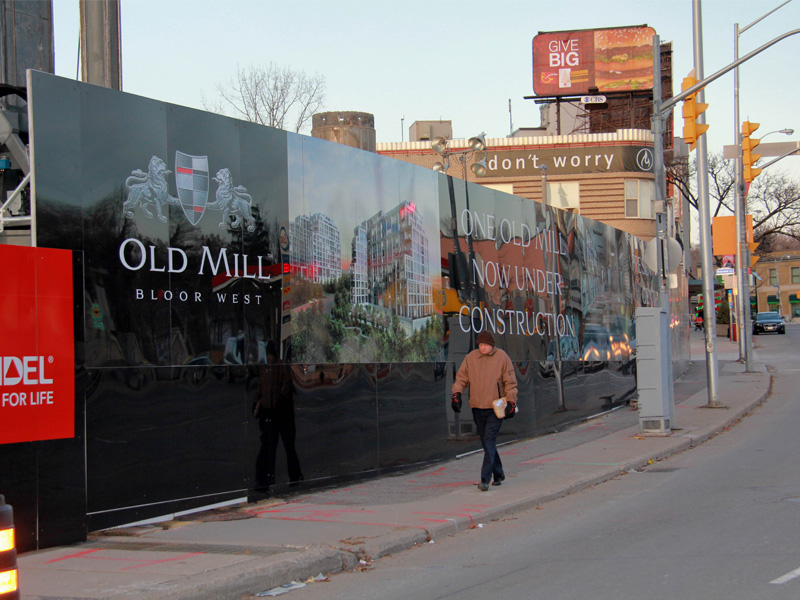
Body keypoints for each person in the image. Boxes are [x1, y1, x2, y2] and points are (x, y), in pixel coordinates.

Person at [451, 330, 518, 491]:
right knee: (487, 441)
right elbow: (461, 378)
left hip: (496, 407)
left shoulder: (502, 357)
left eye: (486, 345)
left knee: (488, 439)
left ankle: (484, 479)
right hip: (477, 406)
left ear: (492, 345)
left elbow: (510, 382)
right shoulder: (471, 358)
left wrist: (511, 401)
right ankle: (499, 473)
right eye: (480, 345)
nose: (483, 348)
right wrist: (456, 394)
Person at [252, 342, 303, 494]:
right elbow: (264, 388)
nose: (269, 357)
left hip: (278, 412)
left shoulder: (274, 367)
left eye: (270, 354)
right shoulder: (273, 367)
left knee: (278, 447)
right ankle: (286, 477)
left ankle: (278, 478)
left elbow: (282, 387)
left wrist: (264, 402)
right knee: (276, 447)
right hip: (276, 412)